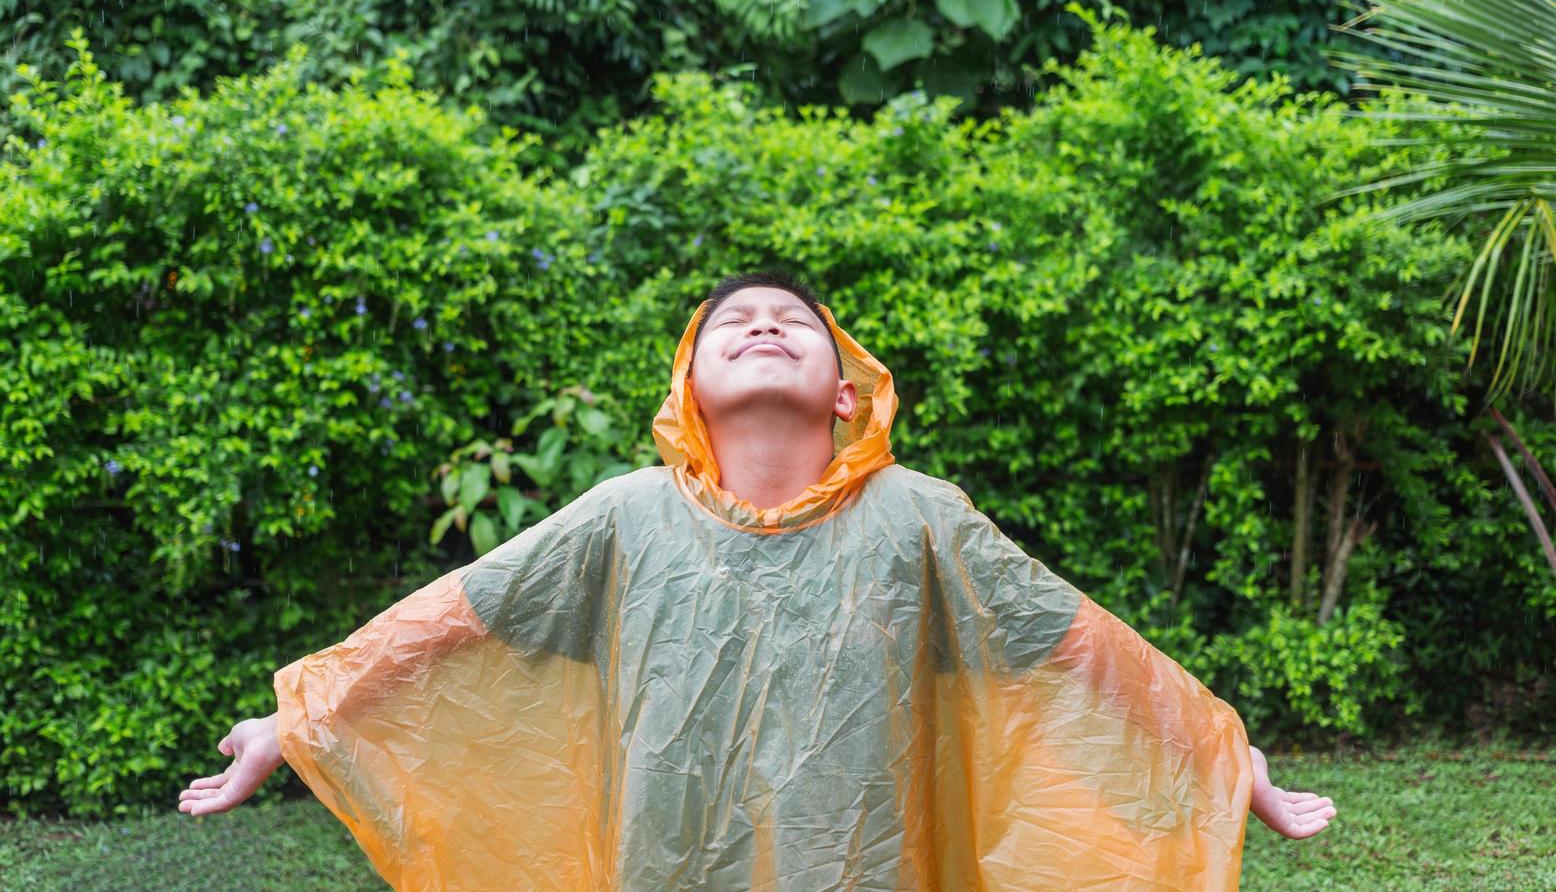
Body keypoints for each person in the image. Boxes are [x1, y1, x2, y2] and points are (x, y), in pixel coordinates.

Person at [179, 268, 1335, 889]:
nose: (765, 324)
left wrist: (1223, 752)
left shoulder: (919, 517)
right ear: (689, 386)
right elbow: (453, 617)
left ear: (847, 389)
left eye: (794, 320)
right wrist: (294, 718)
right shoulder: (623, 515)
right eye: (734, 320)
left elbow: (1079, 645)